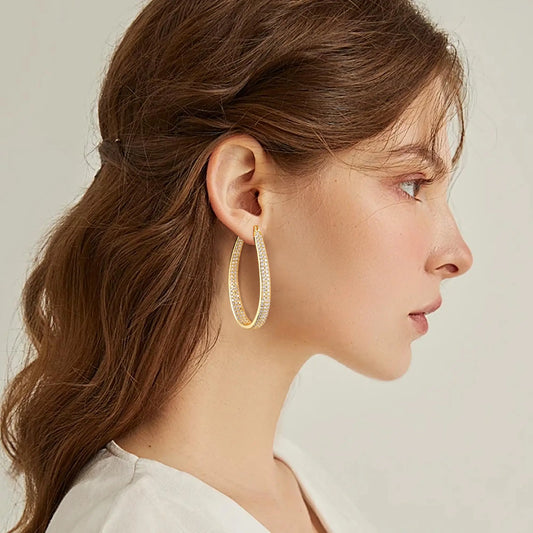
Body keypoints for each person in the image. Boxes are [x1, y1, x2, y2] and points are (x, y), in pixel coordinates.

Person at [0, 0, 474, 532]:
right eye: (411, 184)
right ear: (247, 193)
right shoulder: (137, 521)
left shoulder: (297, 485)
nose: (457, 255)